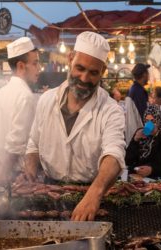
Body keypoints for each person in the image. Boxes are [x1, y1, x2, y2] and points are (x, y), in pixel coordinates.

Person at [24, 31, 125, 221]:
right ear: (70, 59)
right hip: (50, 194)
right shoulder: (46, 101)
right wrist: (30, 165)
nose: (84, 78)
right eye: (80, 68)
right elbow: (33, 144)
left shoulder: (110, 109)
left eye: (93, 72)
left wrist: (95, 193)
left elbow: (114, 154)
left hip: (93, 195)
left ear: (103, 72)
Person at [0, 37, 41, 185]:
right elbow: (16, 143)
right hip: (16, 176)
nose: (39, 68)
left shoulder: (0, 93)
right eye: (35, 63)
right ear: (21, 66)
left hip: (1, 169)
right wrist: (3, 173)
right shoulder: (25, 96)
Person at [125, 104, 161, 179]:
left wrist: (152, 170)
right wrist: (135, 140)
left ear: (159, 121)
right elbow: (128, 160)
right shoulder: (140, 133)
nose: (149, 124)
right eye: (146, 121)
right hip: (137, 177)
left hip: (156, 179)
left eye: (153, 121)